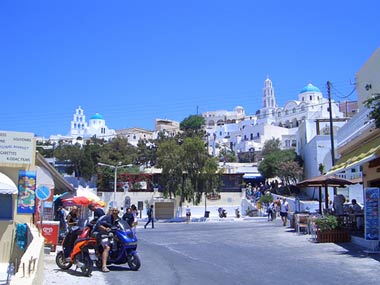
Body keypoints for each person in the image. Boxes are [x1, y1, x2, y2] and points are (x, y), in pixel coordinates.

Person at [94, 207, 120, 272]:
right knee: (107, 247)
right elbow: (99, 225)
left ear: (118, 212)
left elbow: (123, 225)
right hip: (103, 235)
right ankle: (104, 266)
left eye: (115, 210)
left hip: (112, 235)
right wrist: (105, 229)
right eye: (113, 210)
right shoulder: (107, 218)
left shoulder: (119, 219)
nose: (114, 212)